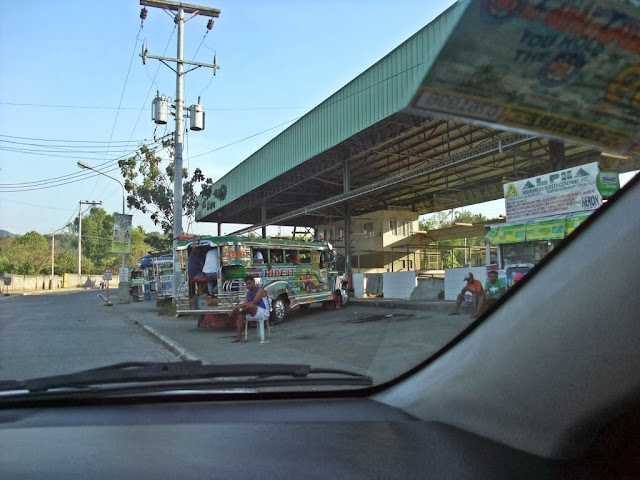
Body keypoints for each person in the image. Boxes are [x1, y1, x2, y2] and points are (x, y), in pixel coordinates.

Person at [230, 276, 270, 343]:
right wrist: (240, 307)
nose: (248, 285)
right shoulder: (248, 293)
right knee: (240, 315)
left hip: (263, 311)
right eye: (247, 284)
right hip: (252, 312)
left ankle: (236, 312)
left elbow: (254, 302)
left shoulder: (260, 290)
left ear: (254, 282)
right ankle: (239, 337)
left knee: (250, 306)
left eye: (250, 283)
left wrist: (239, 307)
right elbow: (245, 303)